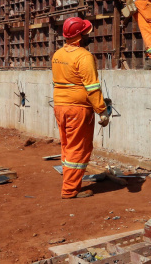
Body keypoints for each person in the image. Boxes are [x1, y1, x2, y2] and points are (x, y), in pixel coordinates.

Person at [51, 17, 110, 199]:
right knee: (78, 148)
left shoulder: (58, 54)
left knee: (68, 146)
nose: (89, 36)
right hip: (78, 108)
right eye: (86, 33)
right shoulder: (84, 56)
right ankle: (69, 190)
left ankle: (69, 183)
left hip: (60, 106)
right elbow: (92, 87)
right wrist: (102, 110)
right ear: (79, 36)